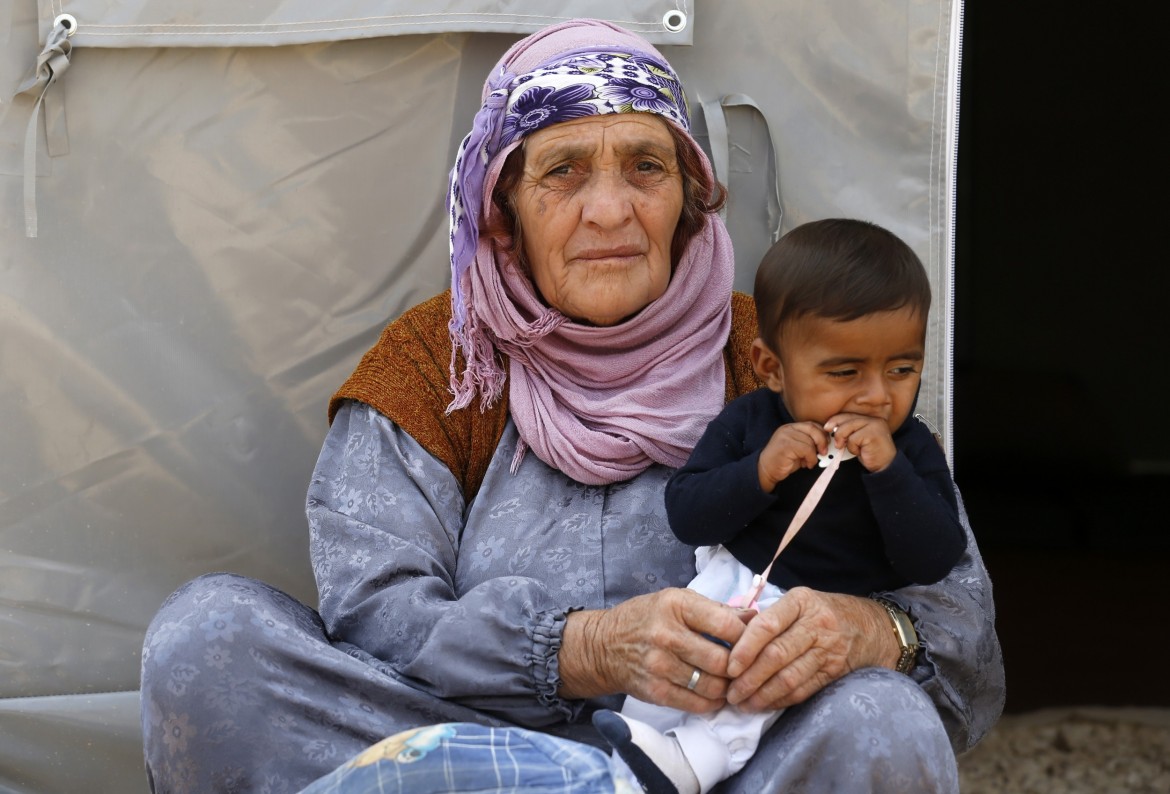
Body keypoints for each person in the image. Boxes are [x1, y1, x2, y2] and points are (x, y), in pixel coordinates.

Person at [138, 19, 1004, 794]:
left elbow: (961, 636)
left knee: (881, 718)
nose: (610, 211)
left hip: (712, 770)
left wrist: (870, 629)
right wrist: (581, 648)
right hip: (458, 761)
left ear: (690, 204)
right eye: (562, 171)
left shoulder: (779, 360)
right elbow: (376, 613)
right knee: (207, 641)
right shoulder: (443, 358)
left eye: (646, 167)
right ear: (504, 212)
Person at [590, 218, 970, 794]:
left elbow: (935, 555)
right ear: (771, 367)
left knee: (757, 686)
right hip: (728, 584)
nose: (876, 395)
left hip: (814, 615)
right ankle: (636, 764)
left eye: (902, 369)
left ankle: (696, 765)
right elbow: (687, 512)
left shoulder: (909, 447)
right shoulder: (750, 424)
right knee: (669, 682)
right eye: (845, 372)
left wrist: (889, 473)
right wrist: (759, 472)